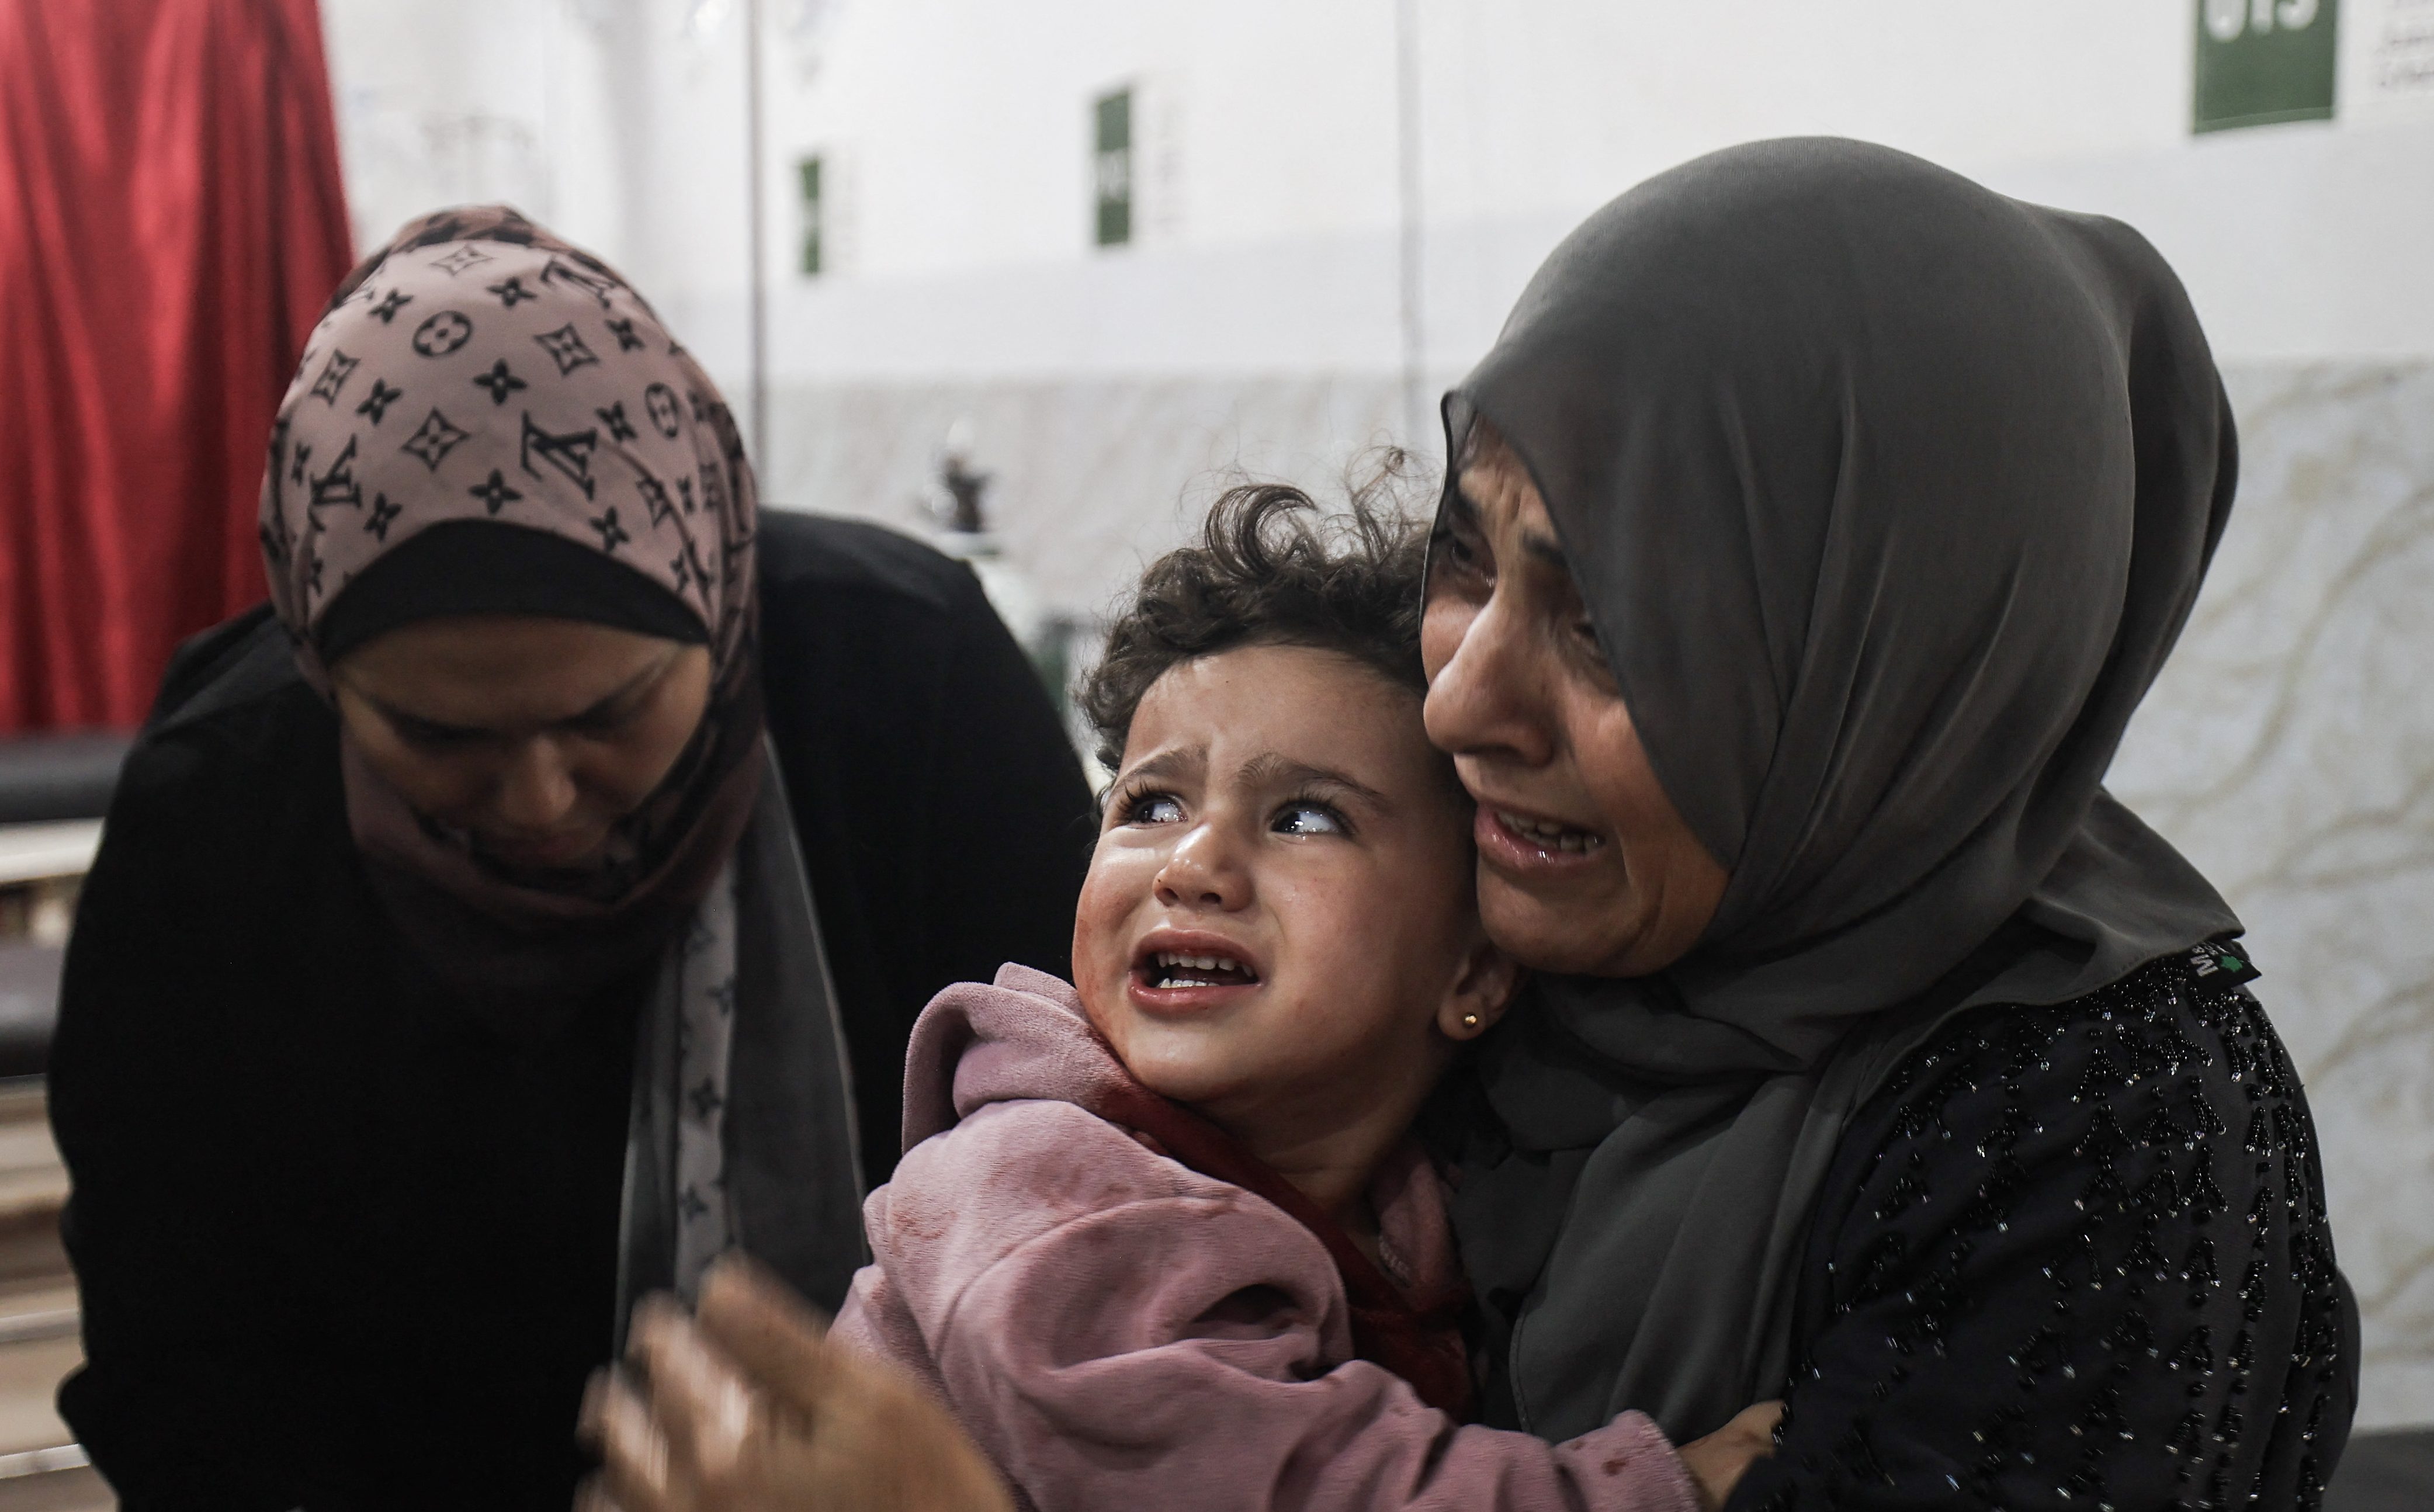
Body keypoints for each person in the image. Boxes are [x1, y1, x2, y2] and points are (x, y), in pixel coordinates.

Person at [570, 139, 2363, 1512]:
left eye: (1605, 618)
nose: (1456, 698)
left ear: (1878, 653)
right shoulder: (1528, 968)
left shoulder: (2101, 1150)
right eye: (1464, 559)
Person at [47, 207, 1095, 1510]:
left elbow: (1078, 1157)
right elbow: (174, 1324)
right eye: (438, 737)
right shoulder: (226, 799)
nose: (540, 796)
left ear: (715, 601)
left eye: (608, 715)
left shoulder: (905, 687)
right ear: (325, 672)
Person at [587, 486, 1780, 1512]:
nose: (1191, 862)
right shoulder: (1056, 1192)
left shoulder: (1429, 1194)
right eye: (1147, 804)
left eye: (1304, 817)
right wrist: (1633, 1488)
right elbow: (1281, 1489)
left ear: (1471, 971)